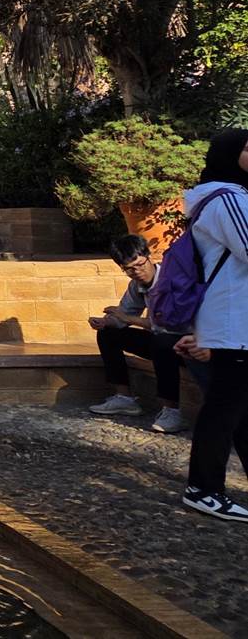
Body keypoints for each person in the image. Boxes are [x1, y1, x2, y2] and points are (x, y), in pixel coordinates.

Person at [178, 128, 248, 522]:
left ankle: (204, 488)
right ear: (229, 154)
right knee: (224, 407)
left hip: (235, 320)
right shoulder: (227, 198)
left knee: (238, 408)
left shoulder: (231, 196)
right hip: (233, 321)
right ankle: (203, 489)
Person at [87, 234, 190, 433]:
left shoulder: (172, 279)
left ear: (148, 257)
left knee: (162, 343)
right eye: (129, 269)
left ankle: (172, 411)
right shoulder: (137, 285)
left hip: (187, 342)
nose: (137, 272)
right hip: (163, 339)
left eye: (140, 265)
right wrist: (106, 322)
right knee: (108, 333)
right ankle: (124, 398)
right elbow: (124, 314)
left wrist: (127, 318)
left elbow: (171, 326)